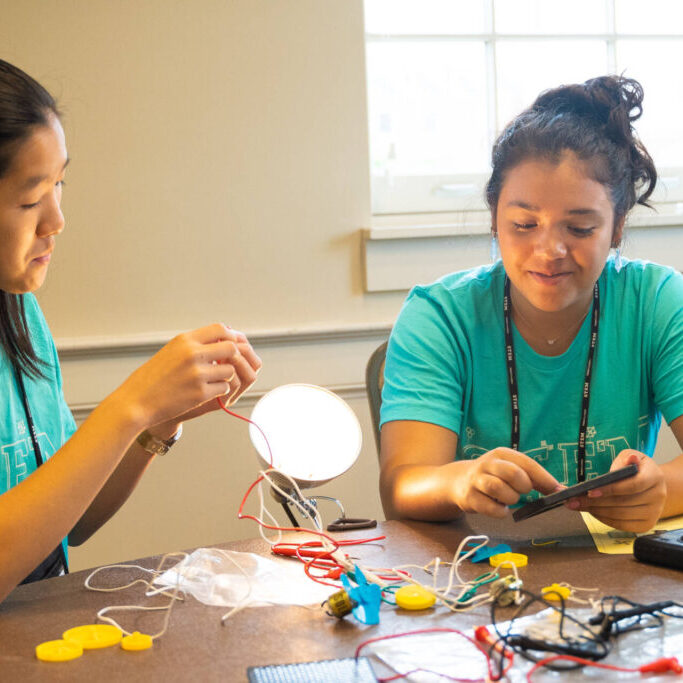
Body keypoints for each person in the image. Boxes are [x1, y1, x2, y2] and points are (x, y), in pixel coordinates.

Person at [0, 59, 262, 602]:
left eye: (60, 183)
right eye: (30, 198)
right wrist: (133, 403)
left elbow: (64, 527)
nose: (57, 220)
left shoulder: (20, 313)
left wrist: (157, 424)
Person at [379, 75, 683, 534]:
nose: (549, 250)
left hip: (615, 578)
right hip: (475, 579)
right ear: (494, 217)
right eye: (524, 224)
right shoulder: (439, 317)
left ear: (617, 227)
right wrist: (458, 480)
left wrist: (656, 493)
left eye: (579, 229)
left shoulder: (657, 303)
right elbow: (400, 488)